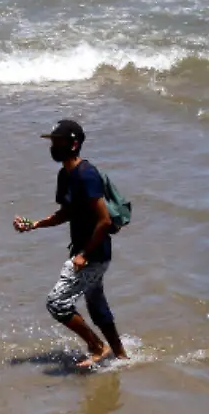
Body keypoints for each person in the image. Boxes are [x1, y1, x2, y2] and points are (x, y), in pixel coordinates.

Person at [13, 118, 128, 369]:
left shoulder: (87, 175)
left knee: (57, 303)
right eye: (52, 142)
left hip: (94, 253)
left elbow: (105, 220)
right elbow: (66, 213)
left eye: (58, 141)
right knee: (96, 305)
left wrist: (85, 254)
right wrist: (34, 224)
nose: (53, 146)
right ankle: (121, 356)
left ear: (74, 145)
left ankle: (97, 347)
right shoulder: (65, 175)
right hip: (84, 251)